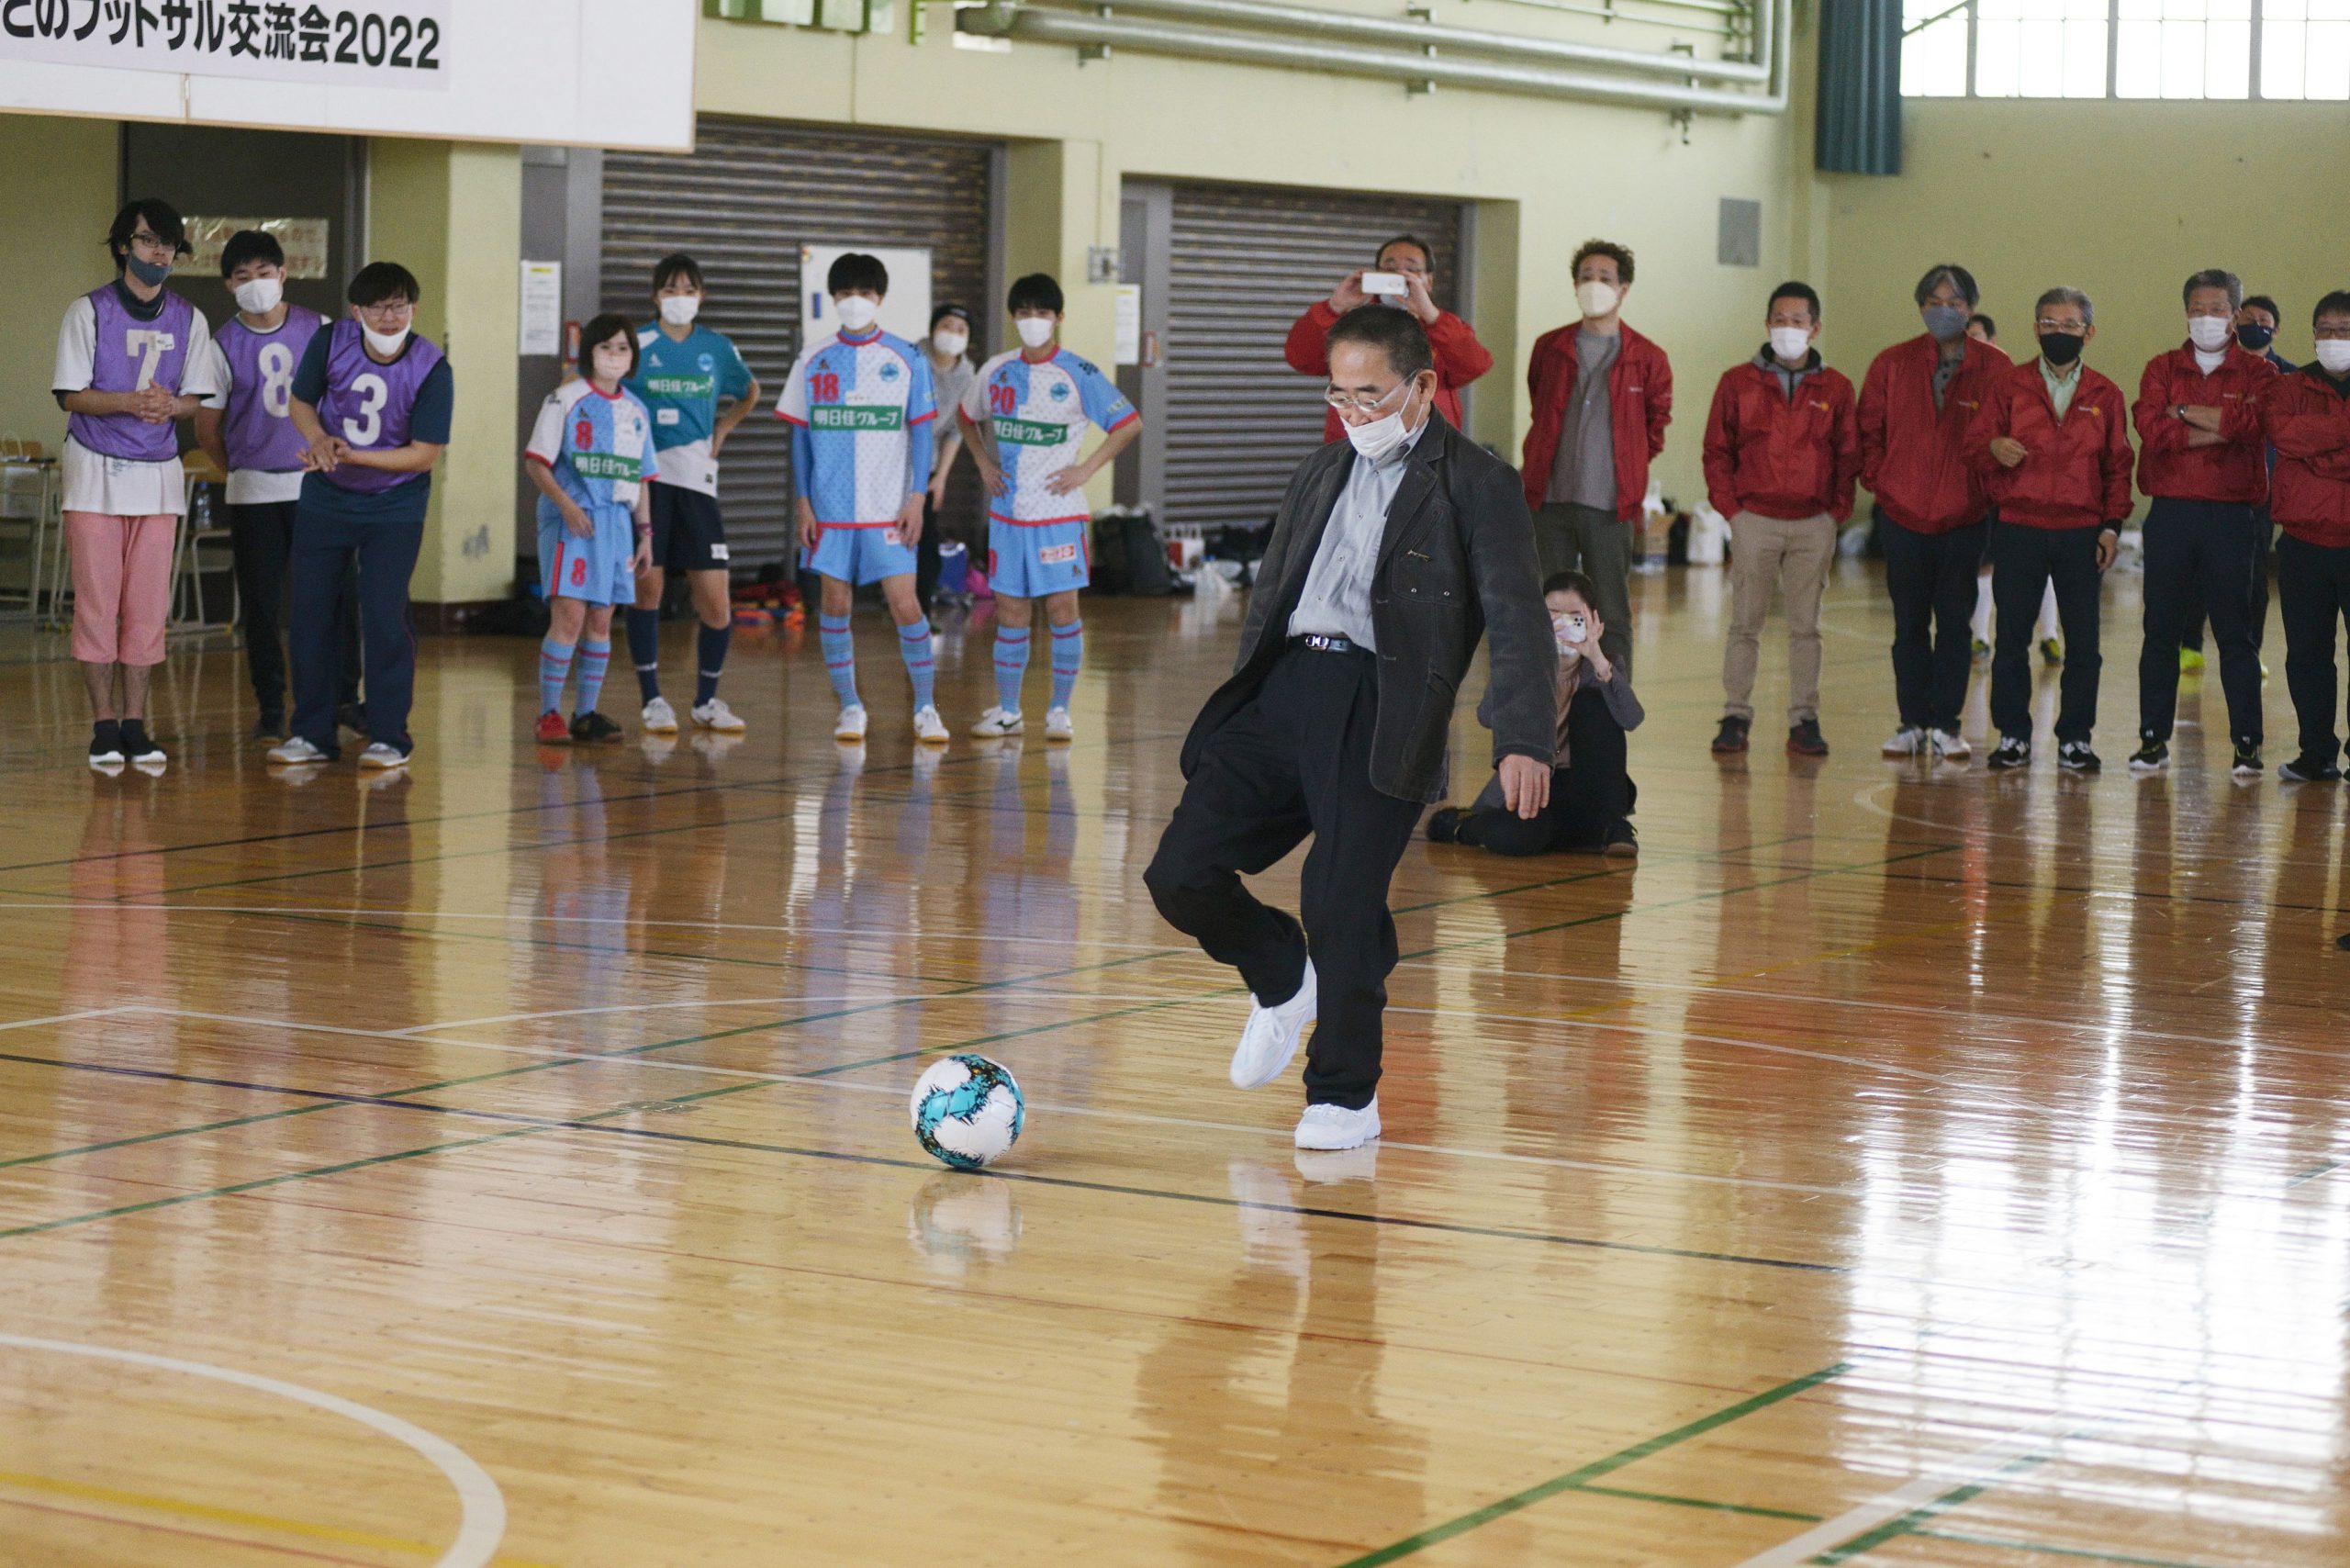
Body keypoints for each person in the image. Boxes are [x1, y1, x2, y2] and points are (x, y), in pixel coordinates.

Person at [1144, 307, 1552, 1153]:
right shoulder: (1318, 471)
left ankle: (1343, 1092)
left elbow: (1519, 619)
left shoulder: (1477, 482)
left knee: (1342, 899)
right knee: (1179, 873)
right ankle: (1279, 972)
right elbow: (1275, 598)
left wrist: (1523, 736)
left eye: (1373, 396)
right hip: (1287, 687)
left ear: (1424, 387)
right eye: (1341, 397)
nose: (1356, 415)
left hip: (1385, 703)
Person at [50, 197, 220, 771]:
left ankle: (136, 725)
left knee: (148, 607)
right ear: (125, 245)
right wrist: (128, 401)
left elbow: (197, 396)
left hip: (159, 475)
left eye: (168, 244)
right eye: (149, 241)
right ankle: (103, 727)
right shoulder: (88, 311)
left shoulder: (190, 318)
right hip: (94, 472)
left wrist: (172, 406)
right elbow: (69, 395)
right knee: (98, 605)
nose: (159, 252)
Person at [264, 261, 453, 771]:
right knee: (309, 615)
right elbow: (301, 401)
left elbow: (423, 454)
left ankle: (390, 736)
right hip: (327, 497)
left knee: (384, 614)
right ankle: (311, 732)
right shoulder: (331, 343)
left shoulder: (432, 366)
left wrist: (354, 455)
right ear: (357, 311)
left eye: (400, 306)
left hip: (395, 504)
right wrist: (318, 440)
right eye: (379, 307)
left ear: (414, 308)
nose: (390, 317)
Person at [195, 229, 363, 744]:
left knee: (338, 596)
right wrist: (240, 468)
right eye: (242, 276)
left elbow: (346, 398)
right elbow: (207, 428)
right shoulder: (219, 345)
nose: (255, 284)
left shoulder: (322, 329)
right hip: (253, 492)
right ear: (228, 285)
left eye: (264, 273)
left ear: (283, 274)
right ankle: (271, 705)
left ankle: (342, 699)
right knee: (263, 607)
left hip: (317, 488)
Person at [959, 274, 1141, 743]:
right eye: (1023, 313)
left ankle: (1060, 711)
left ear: (1059, 318)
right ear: (1013, 318)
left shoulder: (1079, 374)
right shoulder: (996, 370)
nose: (1032, 322)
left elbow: (1128, 423)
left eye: (1042, 313)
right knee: (1010, 613)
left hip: (1058, 516)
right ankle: (1008, 710)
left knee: (1063, 610)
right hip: (1007, 516)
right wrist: (983, 462)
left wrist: (1086, 470)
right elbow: (966, 415)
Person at [776, 252, 945, 745]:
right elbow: (799, 437)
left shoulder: (907, 357)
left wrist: (916, 498)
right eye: (846, 294)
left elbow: (922, 433)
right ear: (832, 299)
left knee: (905, 604)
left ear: (881, 299)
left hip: (888, 509)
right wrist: (804, 501)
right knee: (833, 602)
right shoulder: (812, 357)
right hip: (830, 510)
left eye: (865, 294)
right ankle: (850, 706)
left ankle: (926, 706)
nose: (855, 302)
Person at [1965, 287, 2132, 772]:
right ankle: (2013, 735)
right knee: (2012, 639)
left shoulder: (2106, 394)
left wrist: (2111, 527)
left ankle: (2075, 737)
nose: (2060, 333)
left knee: (2085, 644)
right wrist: (1993, 446)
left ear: (2089, 332)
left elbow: (2118, 466)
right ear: (2036, 328)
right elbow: (1975, 444)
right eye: (2050, 323)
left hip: (2082, 533)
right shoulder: (2009, 387)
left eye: (2071, 325)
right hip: (2019, 528)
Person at [2129, 268, 2280, 778]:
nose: (2206, 318)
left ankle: (2246, 745)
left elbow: (2256, 425)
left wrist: (2187, 411)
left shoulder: (2261, 375)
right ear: (2185, 312)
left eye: (2217, 309)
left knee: (2236, 635)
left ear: (2235, 316)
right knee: (2161, 631)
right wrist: (2222, 429)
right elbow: (2152, 430)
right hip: (2170, 513)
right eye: (2197, 308)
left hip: (2233, 517)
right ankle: (2152, 740)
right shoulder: (2161, 366)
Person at [1859, 263, 2009, 761]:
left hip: (1964, 519)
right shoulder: (1891, 363)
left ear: (1970, 307)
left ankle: (1947, 723)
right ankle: (1910, 722)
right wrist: (1884, 485)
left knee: (1955, 624)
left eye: (1955, 302)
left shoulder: (1996, 367)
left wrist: (1983, 495)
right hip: (1901, 517)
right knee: (1907, 626)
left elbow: (2006, 438)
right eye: (1934, 301)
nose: (1944, 311)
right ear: (1921, 305)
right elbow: (1869, 435)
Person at [1702, 281, 1857, 758]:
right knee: (1745, 624)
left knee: (1805, 628)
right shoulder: (1736, 382)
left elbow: (1849, 455)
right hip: (1755, 520)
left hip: (1814, 523)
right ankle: (1735, 715)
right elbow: (1716, 450)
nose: (1788, 328)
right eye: (1780, 320)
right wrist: (1733, 511)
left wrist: (1836, 514)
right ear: (1767, 323)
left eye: (1798, 321)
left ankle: (1804, 719)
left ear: (1815, 327)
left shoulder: (1836, 388)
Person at [1518, 239, 1671, 680]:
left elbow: (1654, 429)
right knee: (1545, 604)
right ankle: (1544, 690)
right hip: (1549, 502)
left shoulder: (1648, 358)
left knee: (1611, 608)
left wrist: (1627, 463)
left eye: (1605, 278)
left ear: (1623, 288)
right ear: (1574, 285)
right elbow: (1539, 406)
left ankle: (1611, 692)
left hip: (1610, 506)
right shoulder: (1550, 347)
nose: (1594, 285)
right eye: (1586, 277)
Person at [623, 252, 759, 737]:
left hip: (698, 484)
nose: (679, 298)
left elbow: (750, 392)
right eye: (670, 289)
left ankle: (706, 700)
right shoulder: (636, 344)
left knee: (717, 603)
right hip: (649, 483)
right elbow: (598, 389)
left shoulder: (718, 348)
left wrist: (722, 432)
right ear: (655, 295)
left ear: (702, 296)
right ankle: (652, 699)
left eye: (688, 289)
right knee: (649, 591)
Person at [1427, 571, 1641, 856]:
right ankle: (1465, 825)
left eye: (1575, 617)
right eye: (1553, 615)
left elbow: (1631, 718)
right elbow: (1487, 716)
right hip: (1539, 782)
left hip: (1588, 785)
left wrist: (1598, 660)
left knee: (1592, 702)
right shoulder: (1525, 662)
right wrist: (1523, 657)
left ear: (1593, 620)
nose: (1564, 625)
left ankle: (1614, 826)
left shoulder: (1604, 667)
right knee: (1517, 837)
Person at [525, 315, 657, 745]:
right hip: (573, 520)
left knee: (601, 619)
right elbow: (536, 463)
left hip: (616, 524)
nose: (614, 356)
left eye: (622, 349)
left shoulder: (637, 411)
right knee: (569, 616)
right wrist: (566, 505)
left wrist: (646, 534)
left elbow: (640, 478)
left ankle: (585, 713)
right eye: (605, 348)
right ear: (589, 353)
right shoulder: (564, 399)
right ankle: (549, 713)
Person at [1283, 233, 1492, 445]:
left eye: (1411, 269)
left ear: (1428, 281)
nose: (1400, 274)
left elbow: (1474, 366)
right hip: (1357, 442)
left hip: (1430, 445)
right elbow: (1302, 359)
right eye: (1389, 269)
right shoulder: (1351, 323)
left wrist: (1431, 315)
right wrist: (1335, 306)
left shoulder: (1444, 327)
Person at [2263, 292, 2350, 783]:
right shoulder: (2286, 387)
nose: (2334, 339)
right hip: (2303, 543)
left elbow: (2305, 444)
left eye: (2344, 329)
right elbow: (2286, 438)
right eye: (2326, 330)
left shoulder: (2298, 401)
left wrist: (2317, 451)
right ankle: (2316, 752)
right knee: (2308, 655)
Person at [921, 302, 979, 613]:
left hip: (926, 468)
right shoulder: (910, 358)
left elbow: (956, 430)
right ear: (932, 329)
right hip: (887, 463)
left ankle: (921, 610)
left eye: (961, 330)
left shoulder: (967, 375)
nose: (952, 335)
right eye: (946, 326)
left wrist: (940, 477)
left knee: (926, 540)